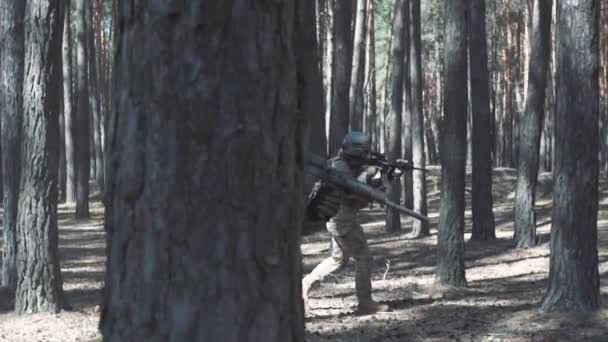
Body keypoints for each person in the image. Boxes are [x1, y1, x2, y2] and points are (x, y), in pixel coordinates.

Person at [302, 131, 391, 314]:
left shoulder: (346, 164)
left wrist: (387, 177)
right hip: (342, 219)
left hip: (340, 218)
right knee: (363, 257)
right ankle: (365, 302)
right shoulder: (340, 167)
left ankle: (304, 285)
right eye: (365, 151)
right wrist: (370, 176)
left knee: (338, 259)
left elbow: (363, 194)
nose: (367, 155)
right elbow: (355, 193)